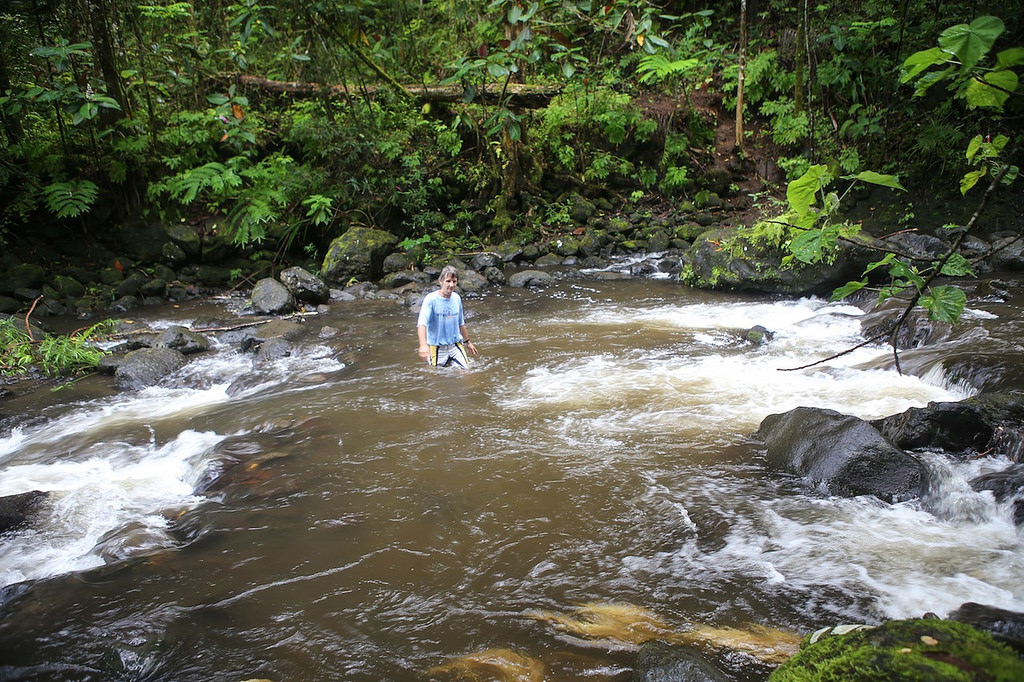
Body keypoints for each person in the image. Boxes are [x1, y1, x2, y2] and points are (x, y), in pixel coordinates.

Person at [417, 265, 479, 368]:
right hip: (437, 347)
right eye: (448, 281)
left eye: (454, 282)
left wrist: (468, 342)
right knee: (437, 376)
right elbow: (422, 324)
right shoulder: (431, 299)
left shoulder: (456, 298)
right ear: (440, 281)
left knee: (467, 372)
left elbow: (461, 323)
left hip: (455, 345)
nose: (451, 285)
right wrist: (423, 345)